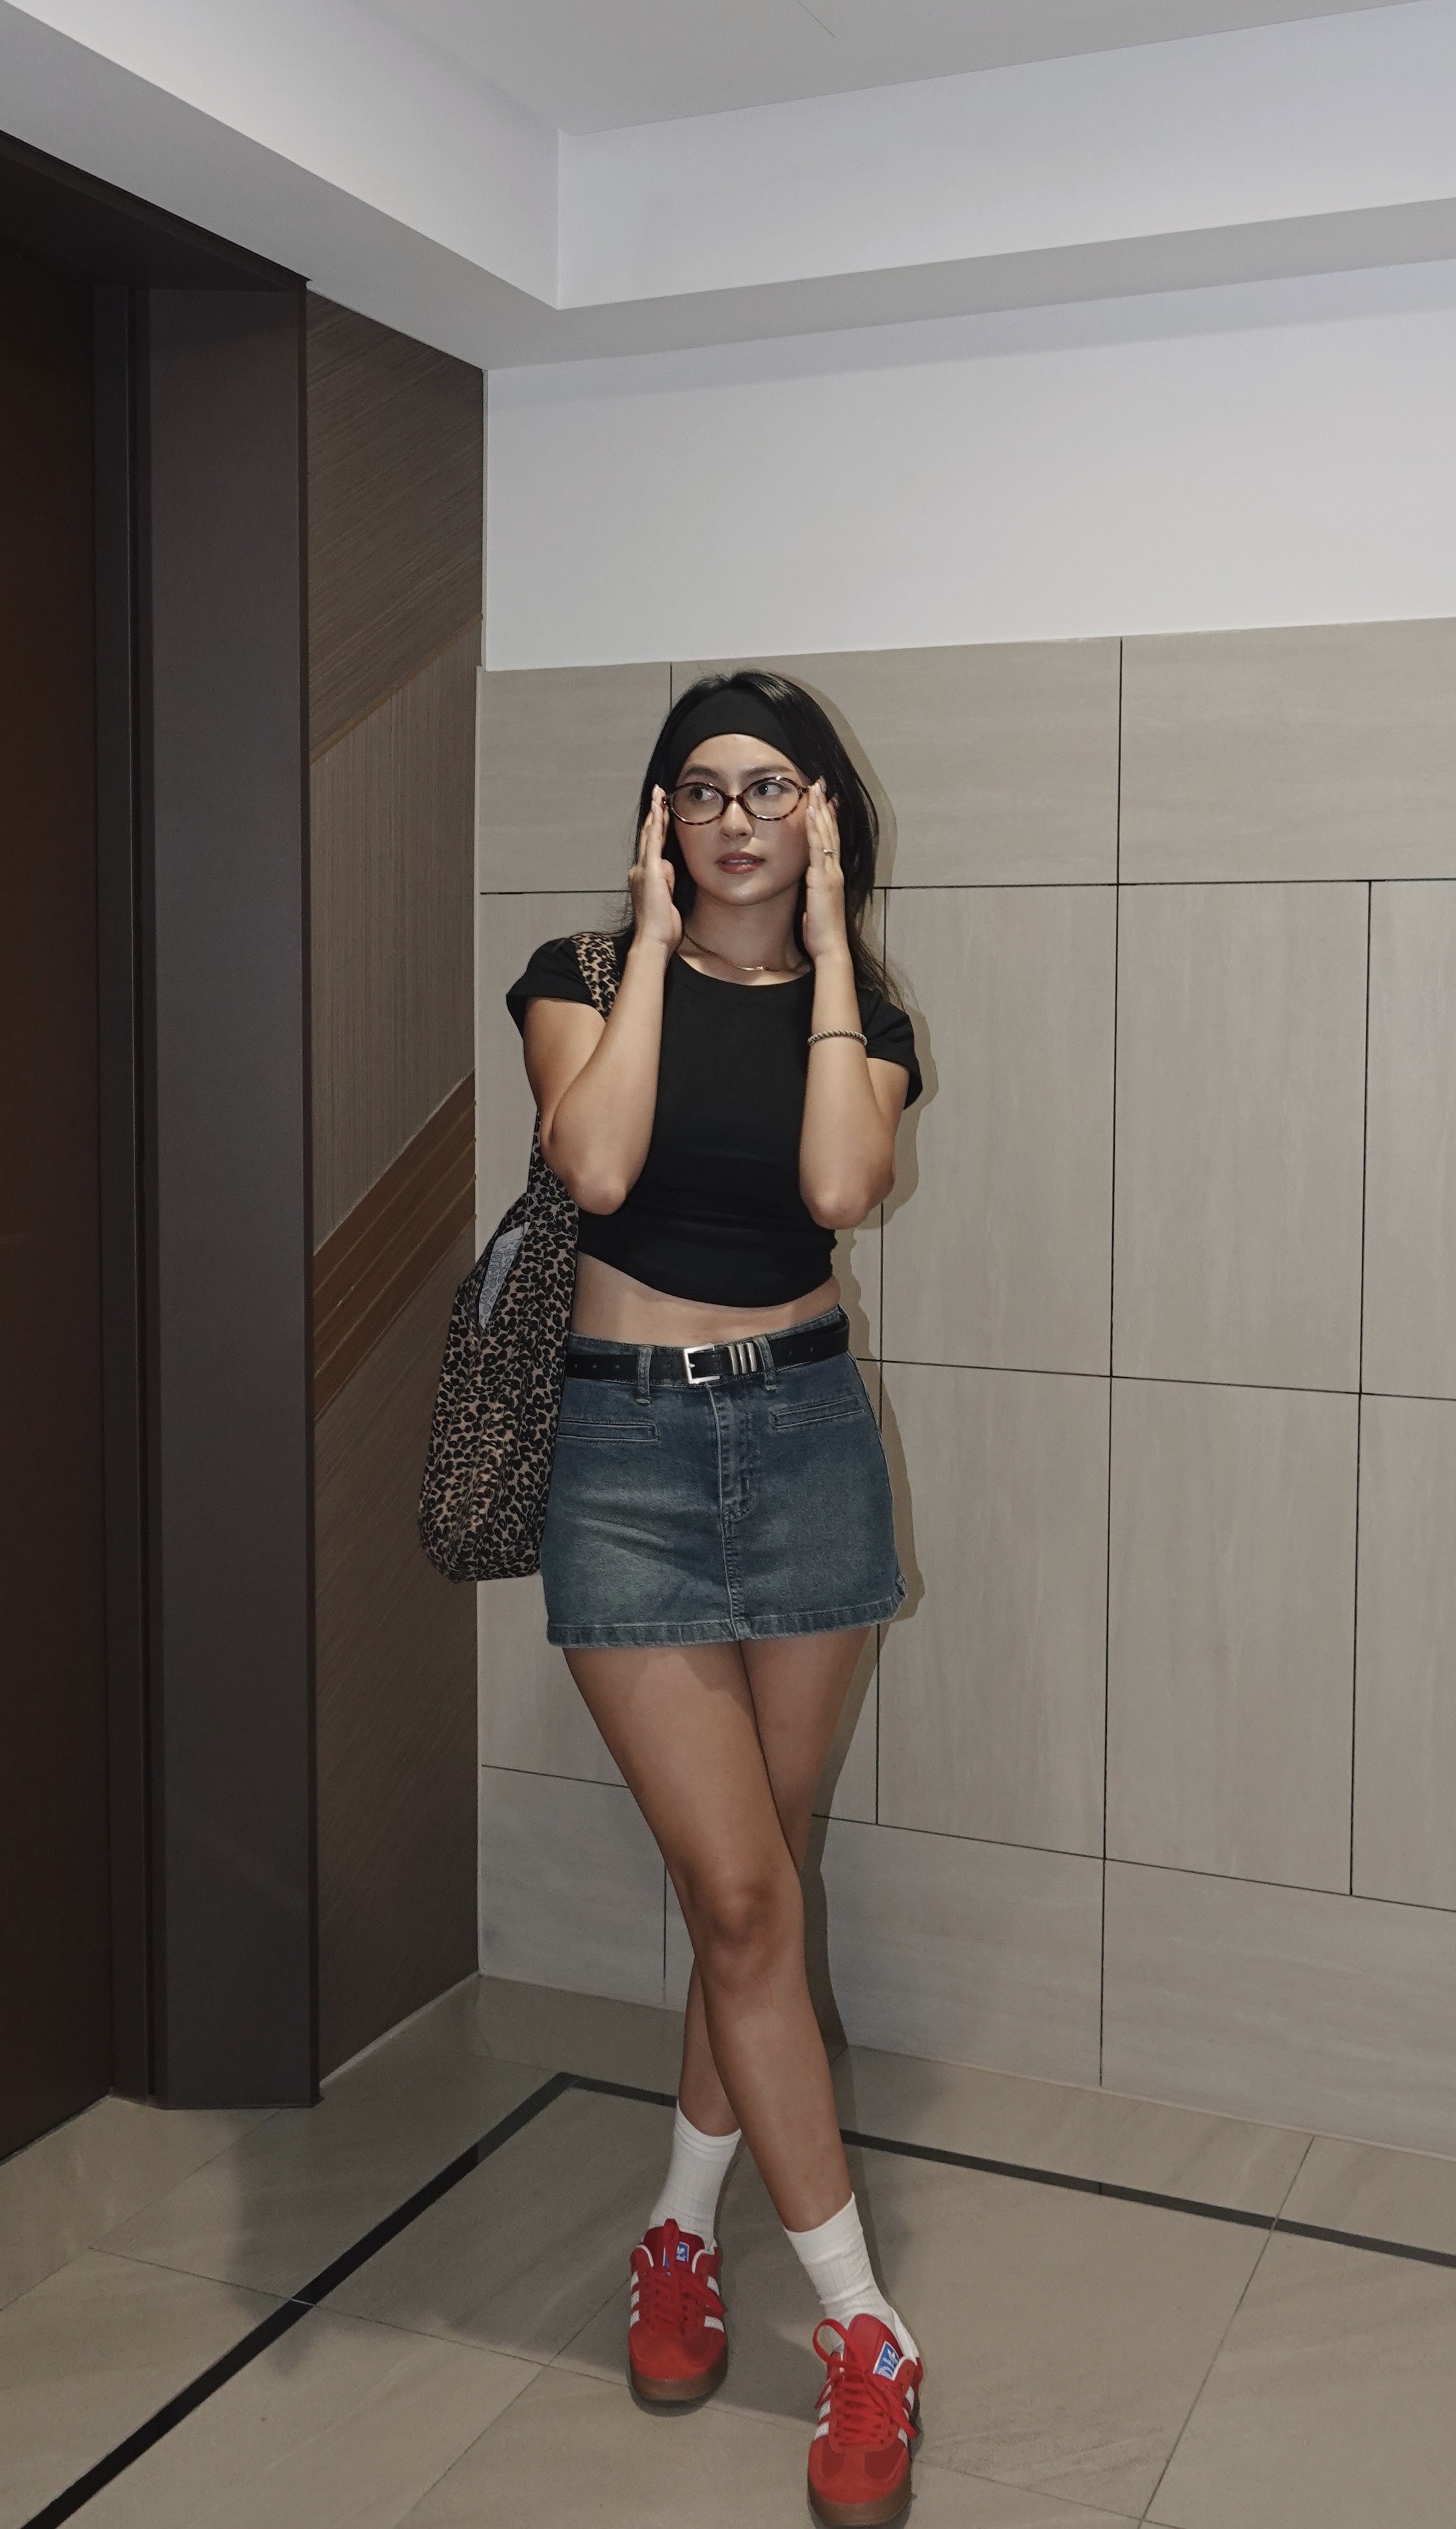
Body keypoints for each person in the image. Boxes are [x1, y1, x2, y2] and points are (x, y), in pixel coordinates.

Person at [506, 674, 926, 2526]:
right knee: (745, 1896)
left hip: (808, 1441)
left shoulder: (867, 1014)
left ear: (821, 814)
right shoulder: (580, 976)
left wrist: (824, 950)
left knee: (753, 1887)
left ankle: (681, 2229)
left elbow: (840, 1181)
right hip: (625, 1460)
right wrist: (658, 945)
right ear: (659, 818)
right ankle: (864, 2329)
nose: (735, 817)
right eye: (702, 789)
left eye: (772, 789)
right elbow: (595, 1163)